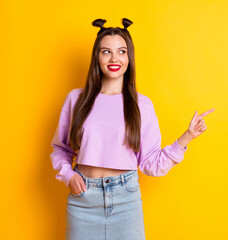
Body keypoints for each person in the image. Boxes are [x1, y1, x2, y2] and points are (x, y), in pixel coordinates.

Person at [50, 18, 215, 240]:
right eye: (106, 51)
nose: (114, 58)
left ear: (129, 57)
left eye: (121, 51)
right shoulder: (76, 99)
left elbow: (150, 163)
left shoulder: (142, 104)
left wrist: (187, 136)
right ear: (96, 57)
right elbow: (60, 148)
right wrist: (68, 175)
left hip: (125, 201)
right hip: (83, 201)